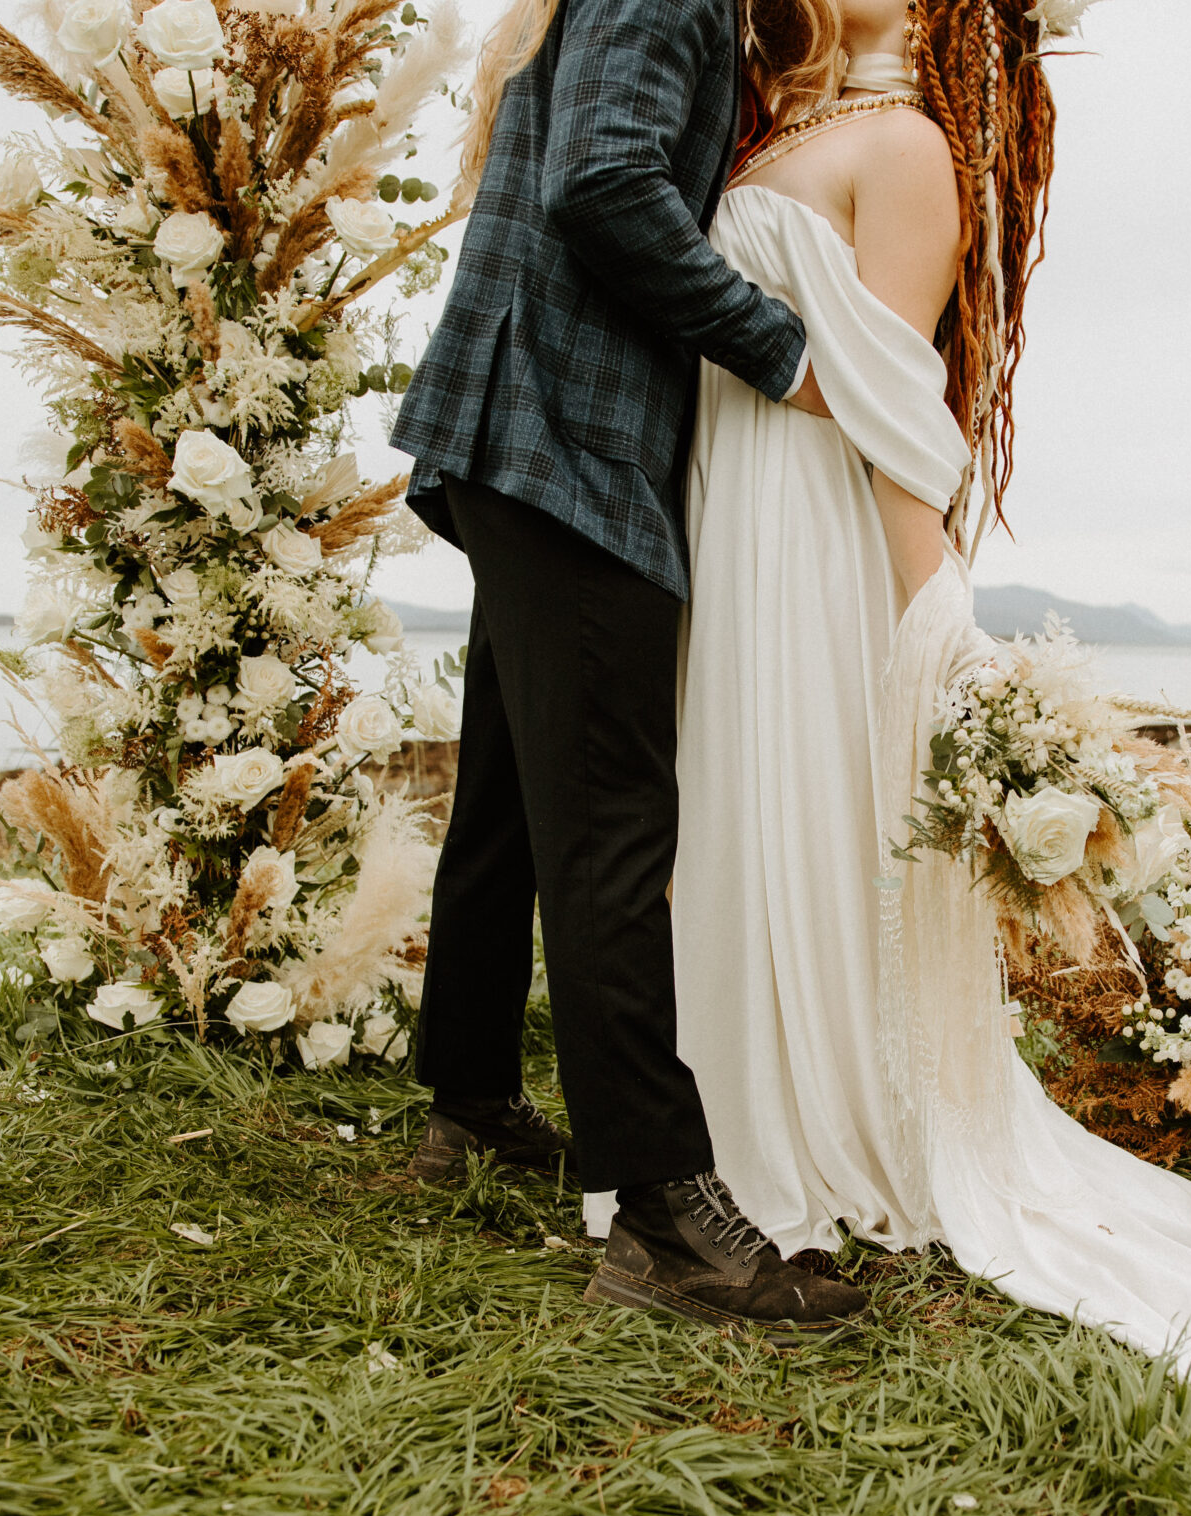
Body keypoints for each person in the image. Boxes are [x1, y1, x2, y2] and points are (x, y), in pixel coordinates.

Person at [619, 0, 1191, 1467]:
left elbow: (893, 413)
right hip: (724, 528)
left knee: (798, 825)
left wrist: (943, 638)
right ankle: (710, 1131)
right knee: (721, 826)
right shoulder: (768, 125)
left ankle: (801, 1126)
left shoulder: (910, 146)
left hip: (806, 546)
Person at [389, 0, 871, 1342]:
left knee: (507, 792)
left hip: (516, 427)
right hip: (568, 440)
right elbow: (603, 186)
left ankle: (470, 1103)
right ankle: (663, 1215)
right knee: (610, 824)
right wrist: (786, 354)